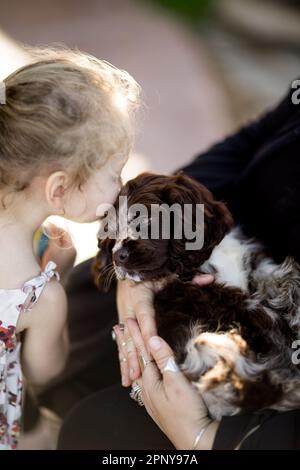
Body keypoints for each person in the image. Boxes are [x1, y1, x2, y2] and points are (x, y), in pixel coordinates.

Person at [55, 79, 300, 450]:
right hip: (209, 244)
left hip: (274, 356)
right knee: (74, 299)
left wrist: (207, 439)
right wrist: (141, 262)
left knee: (92, 427)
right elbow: (255, 137)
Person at [0, 46, 140, 449]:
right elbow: (44, 371)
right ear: (59, 189)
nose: (121, 186)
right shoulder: (38, 296)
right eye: (114, 174)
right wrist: (56, 273)